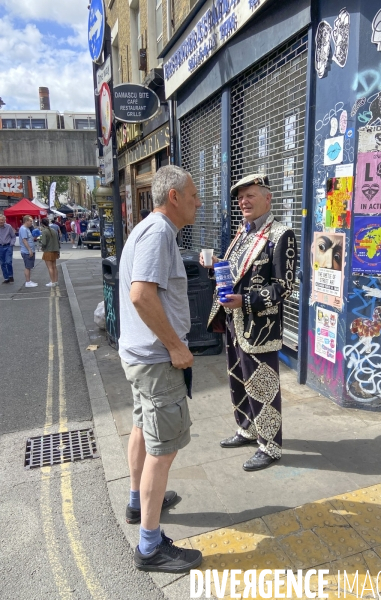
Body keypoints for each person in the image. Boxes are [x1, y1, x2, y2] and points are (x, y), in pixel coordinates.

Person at [119, 165, 202, 573]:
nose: (198, 202)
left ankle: (138, 501)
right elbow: (140, 295)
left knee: (141, 426)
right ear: (173, 197)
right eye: (193, 196)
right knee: (163, 451)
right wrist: (176, 346)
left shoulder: (145, 230)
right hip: (156, 360)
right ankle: (150, 547)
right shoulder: (157, 234)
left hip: (138, 357)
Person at [201, 174, 297, 471]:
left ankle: (270, 446)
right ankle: (247, 429)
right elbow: (236, 273)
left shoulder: (281, 234)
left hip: (261, 327)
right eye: (240, 197)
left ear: (267, 198)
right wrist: (217, 264)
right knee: (238, 382)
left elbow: (285, 286)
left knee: (264, 388)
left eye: (250, 195)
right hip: (233, 322)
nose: (243, 201)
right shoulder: (243, 233)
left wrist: (247, 301)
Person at [19, 215, 38, 288]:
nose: (31, 223)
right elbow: (24, 240)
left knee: (29, 267)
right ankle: (28, 282)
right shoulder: (23, 229)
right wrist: (29, 250)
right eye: (30, 221)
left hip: (30, 250)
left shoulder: (26, 228)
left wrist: (34, 238)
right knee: (27, 267)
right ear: (26, 221)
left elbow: (29, 239)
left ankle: (29, 281)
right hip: (26, 251)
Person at [40, 218, 60, 287]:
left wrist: (42, 247)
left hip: (48, 251)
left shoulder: (44, 231)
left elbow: (44, 243)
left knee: (50, 267)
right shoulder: (53, 230)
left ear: (42, 224)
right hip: (55, 250)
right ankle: (56, 281)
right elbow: (58, 241)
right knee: (54, 267)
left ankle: (52, 282)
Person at [0, 213, 16, 283]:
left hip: (8, 246)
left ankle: (10, 275)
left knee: (8, 262)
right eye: (0, 220)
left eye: (2, 220)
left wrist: (11, 244)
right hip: (0, 246)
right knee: (2, 263)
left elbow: (13, 236)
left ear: (4, 220)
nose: (1, 221)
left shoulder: (8, 227)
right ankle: (6, 278)